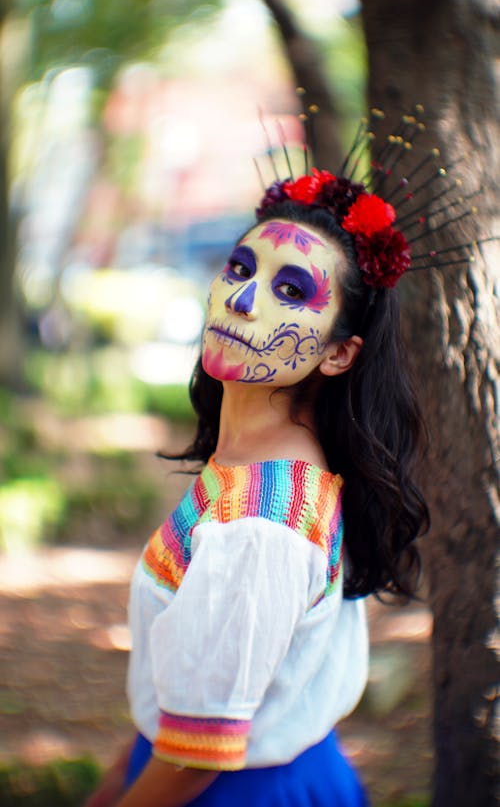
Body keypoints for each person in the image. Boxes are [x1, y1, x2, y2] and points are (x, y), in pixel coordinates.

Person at [84, 164, 429, 807]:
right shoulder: (258, 462)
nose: (243, 300)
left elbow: (197, 757)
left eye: (291, 290)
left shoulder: (261, 527)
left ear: (339, 353)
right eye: (241, 269)